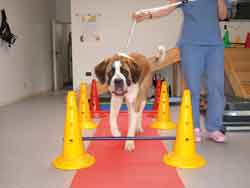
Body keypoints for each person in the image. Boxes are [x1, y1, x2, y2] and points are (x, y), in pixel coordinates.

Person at [132, 0, 232, 143]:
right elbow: (167, 9)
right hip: (190, 44)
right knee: (193, 88)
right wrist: (147, 14)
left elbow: (222, 16)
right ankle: (193, 127)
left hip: (214, 45)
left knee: (217, 87)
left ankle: (213, 128)